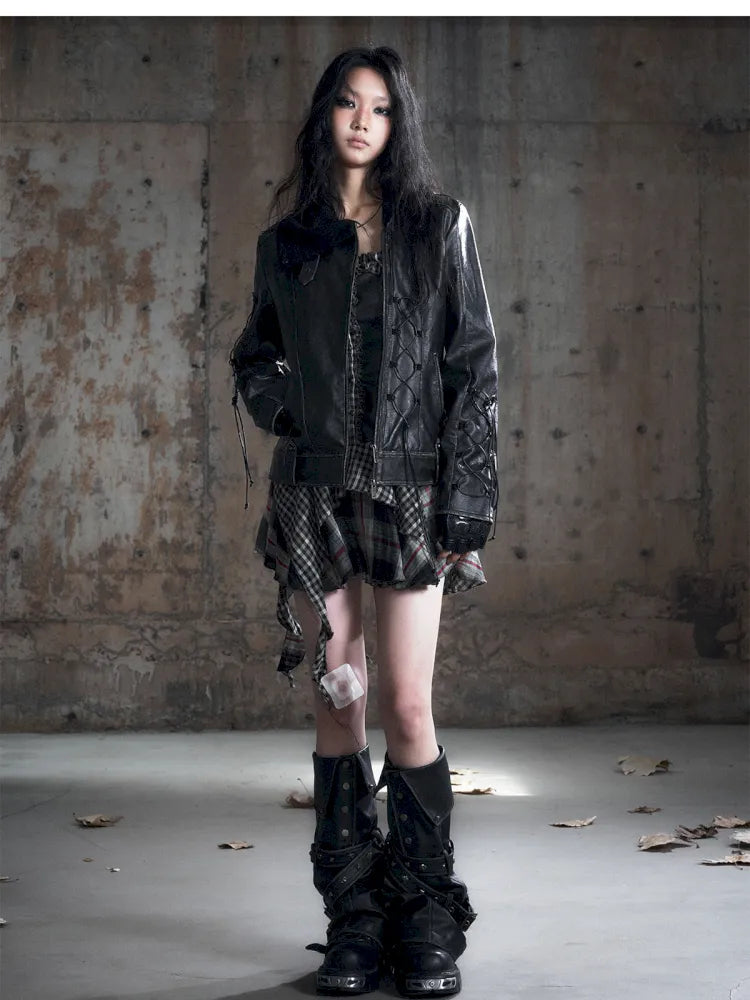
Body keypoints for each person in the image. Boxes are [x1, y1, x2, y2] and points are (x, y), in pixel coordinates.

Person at [229, 45, 498, 999]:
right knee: (338, 701)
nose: (361, 121)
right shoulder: (288, 243)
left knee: (406, 706)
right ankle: (354, 918)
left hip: (413, 493)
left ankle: (424, 917)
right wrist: (287, 410)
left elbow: (473, 366)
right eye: (347, 104)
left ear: (397, 124)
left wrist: (469, 498)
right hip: (314, 495)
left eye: (379, 108)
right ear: (325, 117)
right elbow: (254, 357)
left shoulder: (438, 226)